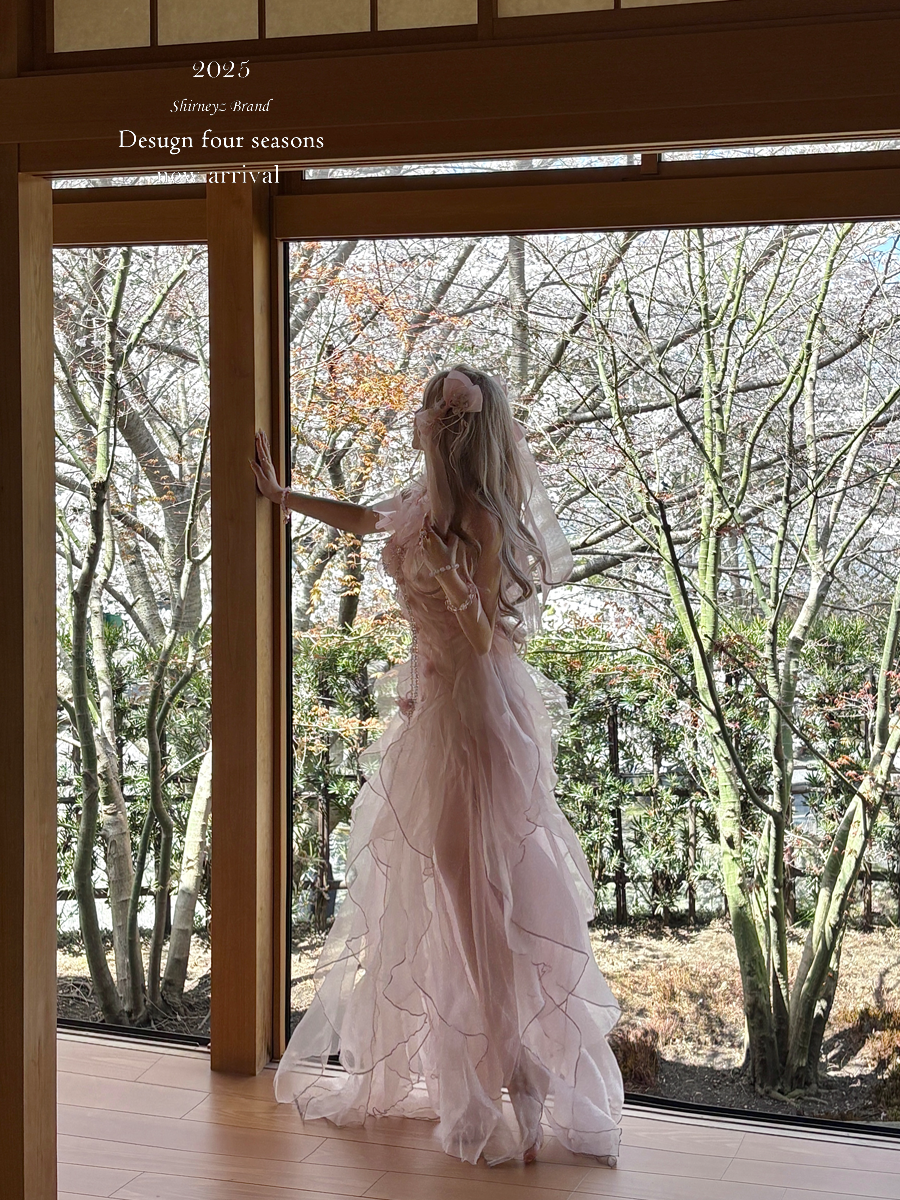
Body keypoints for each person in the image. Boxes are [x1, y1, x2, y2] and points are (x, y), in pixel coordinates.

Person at [251, 366, 623, 1167]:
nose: (426, 422)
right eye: (430, 410)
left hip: (474, 712)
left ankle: (519, 1067)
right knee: (451, 885)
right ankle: (509, 1063)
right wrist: (283, 498)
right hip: (429, 705)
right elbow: (363, 518)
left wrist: (454, 579)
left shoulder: (481, 518)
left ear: (461, 433)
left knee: (475, 886)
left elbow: (485, 637)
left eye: (439, 414)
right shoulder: (421, 502)